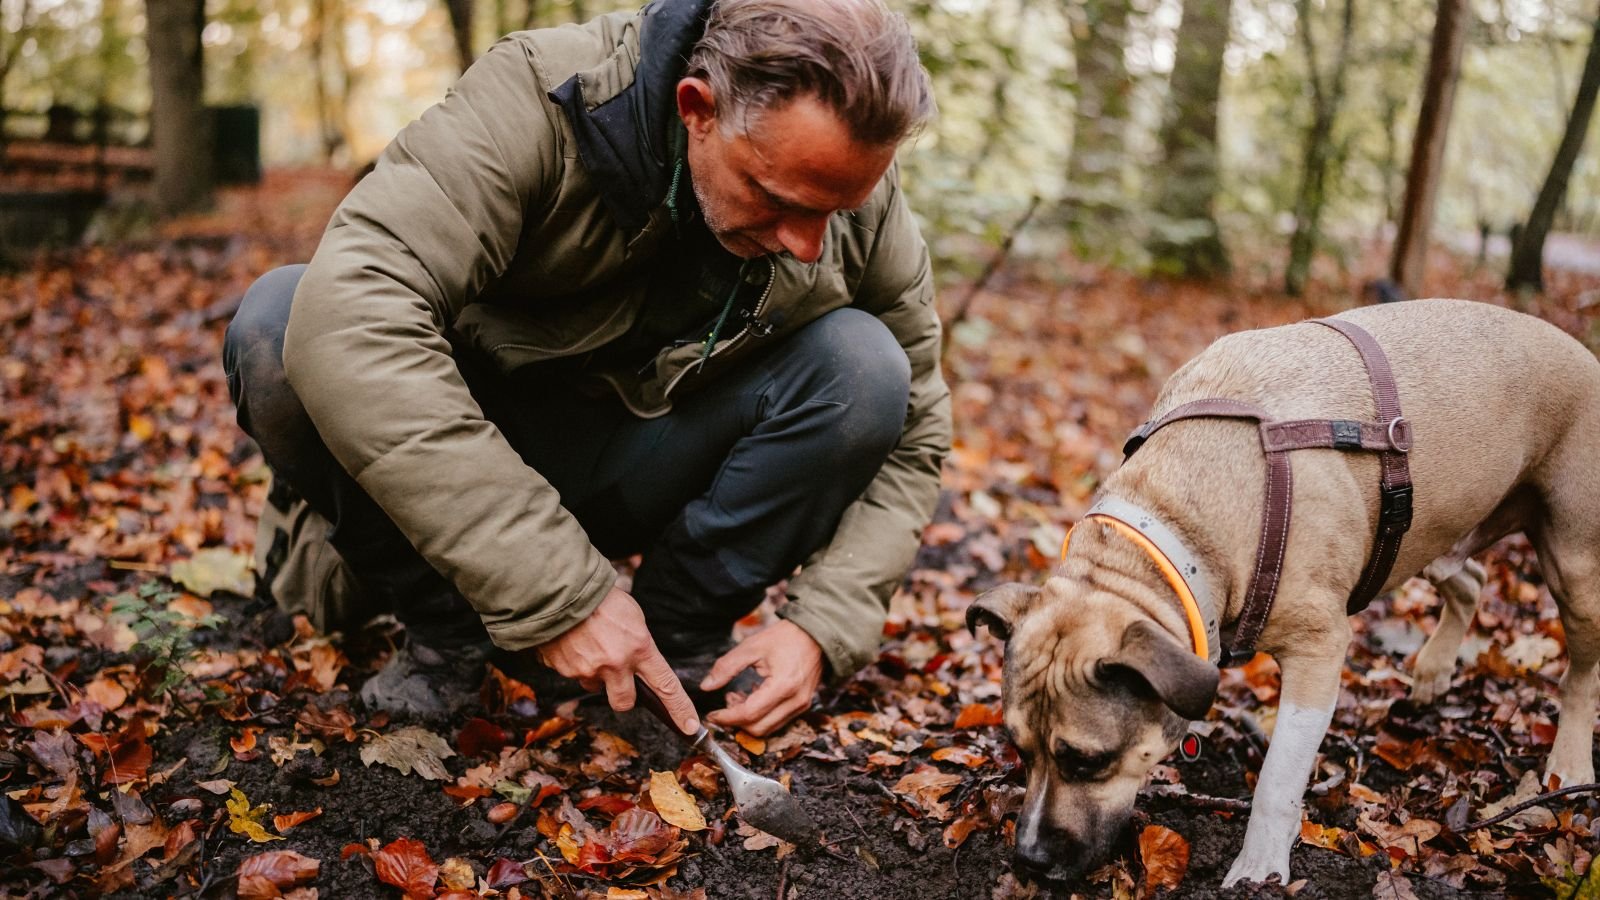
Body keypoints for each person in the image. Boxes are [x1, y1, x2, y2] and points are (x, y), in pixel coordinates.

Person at [222, 0, 950, 737]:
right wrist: (559, 590)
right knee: (280, 321)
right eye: (777, 198)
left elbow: (917, 429)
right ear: (697, 108)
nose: (806, 244)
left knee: (864, 366)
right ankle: (448, 632)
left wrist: (822, 628)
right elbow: (354, 311)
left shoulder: (852, 195)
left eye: (838, 208)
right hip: (476, 454)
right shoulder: (539, 102)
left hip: (647, 455)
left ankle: (672, 647)